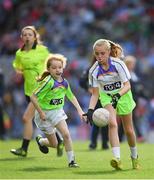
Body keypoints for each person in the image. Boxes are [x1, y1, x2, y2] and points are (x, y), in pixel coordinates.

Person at [84, 39, 140, 170]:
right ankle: (117, 159)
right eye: (97, 54)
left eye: (102, 53)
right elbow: (95, 93)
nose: (99, 56)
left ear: (109, 52)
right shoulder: (93, 70)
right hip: (107, 97)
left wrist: (118, 95)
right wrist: (90, 110)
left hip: (123, 95)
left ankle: (134, 157)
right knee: (112, 124)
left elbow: (127, 85)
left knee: (129, 131)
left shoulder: (118, 64)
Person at [10, 26, 63, 157]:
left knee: (26, 118)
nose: (27, 37)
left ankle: (24, 149)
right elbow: (18, 67)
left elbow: (53, 65)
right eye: (24, 34)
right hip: (28, 90)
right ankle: (55, 140)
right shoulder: (19, 54)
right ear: (21, 37)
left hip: (40, 90)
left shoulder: (42, 51)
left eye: (30, 34)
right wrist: (19, 73)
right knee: (44, 117)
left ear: (35, 37)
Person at [30, 53, 86, 167]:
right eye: (54, 68)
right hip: (44, 114)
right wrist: (40, 112)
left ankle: (72, 162)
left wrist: (80, 110)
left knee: (66, 135)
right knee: (55, 144)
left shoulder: (65, 82)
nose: (57, 70)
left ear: (63, 68)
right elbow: (33, 97)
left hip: (57, 112)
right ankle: (41, 141)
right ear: (49, 69)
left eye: (59, 67)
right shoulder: (47, 82)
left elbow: (71, 97)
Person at [79, 59, 109, 150]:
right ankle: (93, 143)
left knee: (106, 119)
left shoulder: (108, 69)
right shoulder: (91, 69)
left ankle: (104, 143)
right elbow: (81, 81)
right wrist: (88, 89)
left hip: (106, 97)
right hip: (96, 98)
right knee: (96, 119)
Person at [118, 55, 145, 142]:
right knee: (132, 118)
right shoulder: (125, 75)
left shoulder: (133, 74)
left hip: (135, 99)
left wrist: (143, 94)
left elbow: (138, 87)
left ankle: (120, 138)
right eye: (131, 63)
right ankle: (140, 136)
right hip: (128, 99)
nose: (133, 65)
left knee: (127, 120)